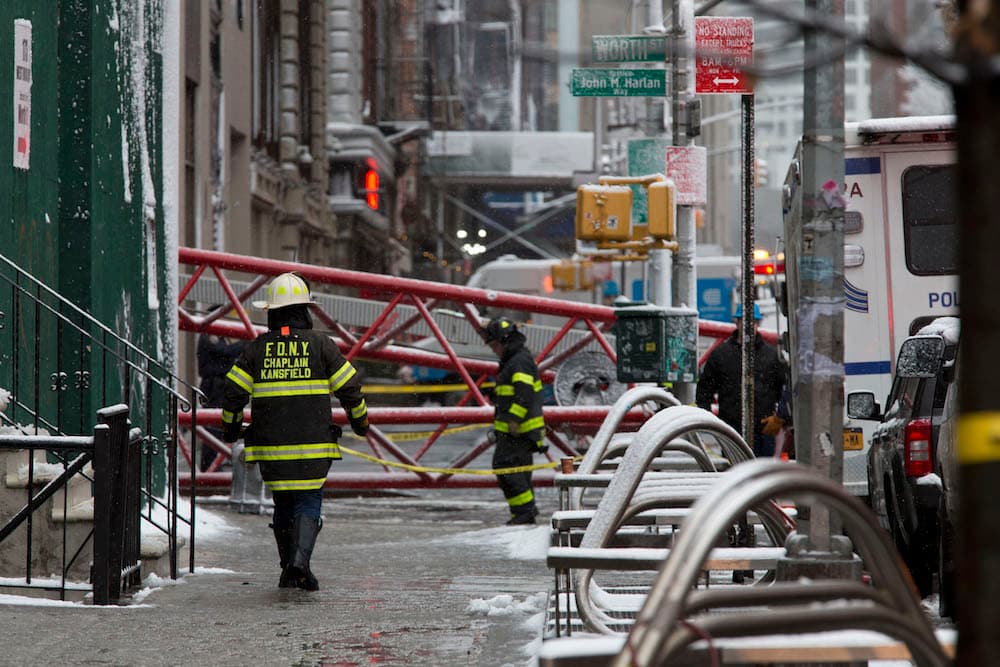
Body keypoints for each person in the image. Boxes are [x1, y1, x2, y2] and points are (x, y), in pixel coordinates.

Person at [220, 272, 369, 591]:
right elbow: (350, 389)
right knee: (308, 500)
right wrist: (361, 423)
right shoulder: (321, 345)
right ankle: (299, 564)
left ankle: (290, 566)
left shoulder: (257, 350)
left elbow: (232, 392)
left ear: (272, 312)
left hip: (272, 449)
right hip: (314, 448)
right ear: (305, 310)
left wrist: (230, 429)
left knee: (284, 503)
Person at [696, 303, 787, 457]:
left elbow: (785, 390)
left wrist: (779, 418)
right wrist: (712, 425)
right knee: (736, 473)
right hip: (731, 430)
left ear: (757, 324)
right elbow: (704, 391)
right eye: (743, 321)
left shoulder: (772, 357)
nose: (748, 326)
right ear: (737, 323)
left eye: (752, 322)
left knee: (762, 476)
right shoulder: (721, 355)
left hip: (764, 430)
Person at [482, 317, 547, 525]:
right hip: (517, 431)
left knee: (505, 467)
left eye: (494, 345)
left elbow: (524, 393)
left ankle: (525, 513)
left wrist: (514, 420)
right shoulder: (515, 360)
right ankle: (522, 514)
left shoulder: (518, 361)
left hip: (519, 430)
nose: (493, 350)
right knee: (518, 471)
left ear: (504, 341)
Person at [196, 313, 246, 471]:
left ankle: (216, 461)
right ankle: (209, 465)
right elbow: (225, 352)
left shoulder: (218, 337)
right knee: (213, 427)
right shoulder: (209, 336)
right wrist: (244, 343)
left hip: (221, 388)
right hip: (213, 389)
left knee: (221, 425)